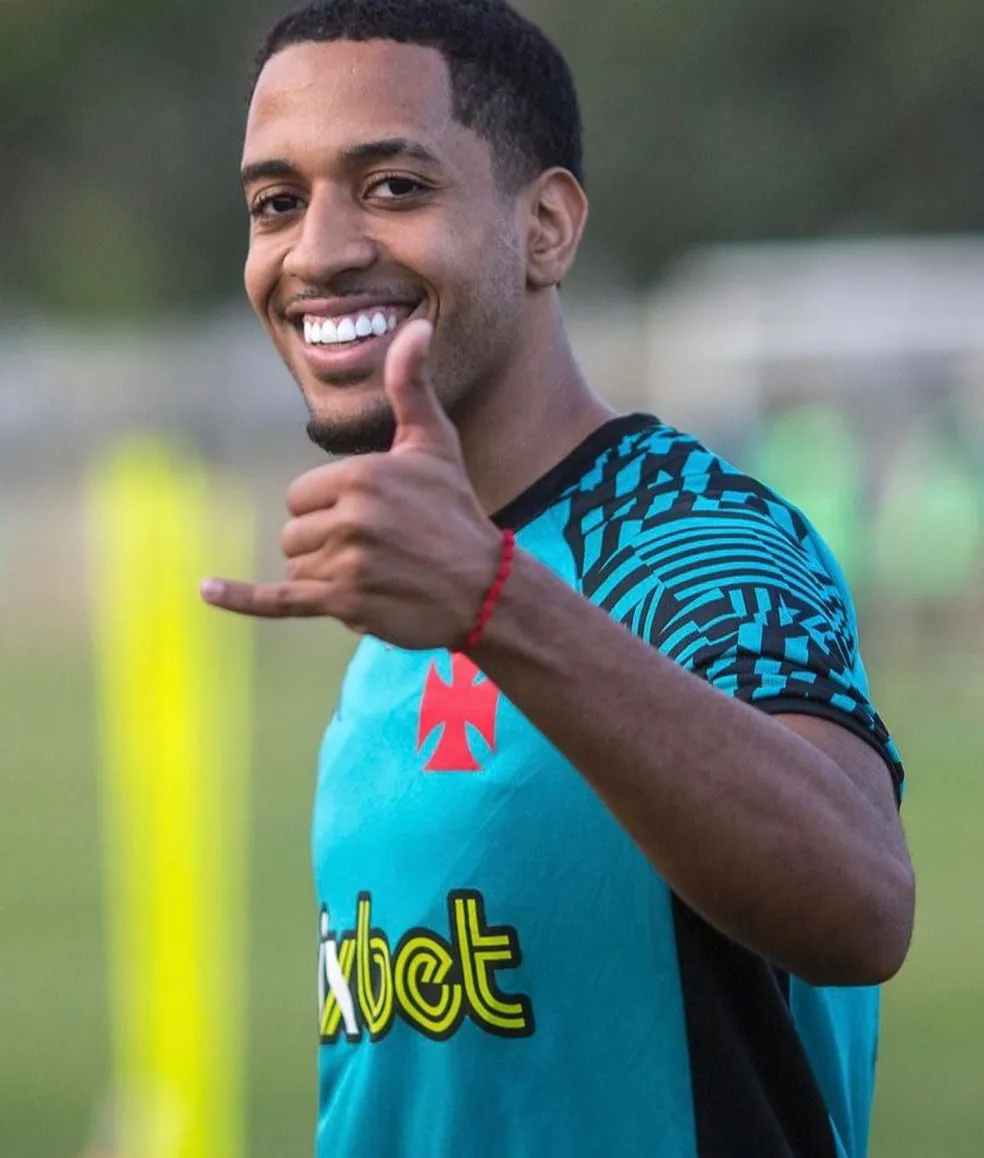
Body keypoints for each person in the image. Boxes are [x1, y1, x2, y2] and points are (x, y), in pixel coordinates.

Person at [201, 2, 915, 1154]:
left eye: (393, 187)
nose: (318, 250)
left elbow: (864, 905)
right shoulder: (417, 592)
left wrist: (496, 601)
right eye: (277, 202)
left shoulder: (690, 540)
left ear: (545, 228)